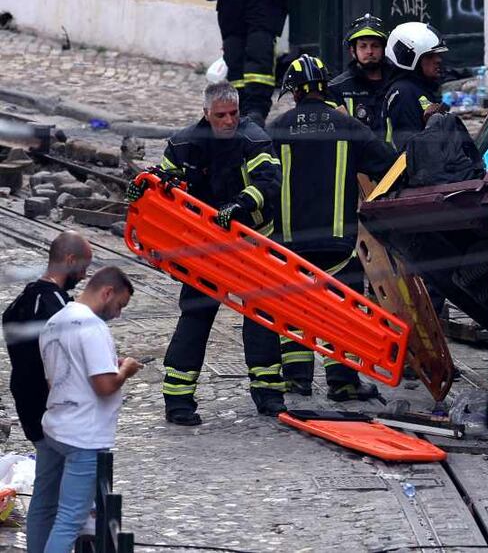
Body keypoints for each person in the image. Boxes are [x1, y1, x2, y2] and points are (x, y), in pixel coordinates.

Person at [138, 81, 286, 425]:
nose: (228, 121)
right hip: (204, 248)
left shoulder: (254, 138)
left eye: (233, 114)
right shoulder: (184, 142)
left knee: (262, 317)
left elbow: (269, 182)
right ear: (206, 114)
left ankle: (268, 395)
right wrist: (148, 185)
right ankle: (177, 401)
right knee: (195, 317)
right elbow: (164, 185)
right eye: (220, 115)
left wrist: (240, 204)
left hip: (252, 244)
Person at [268, 54, 398, 401]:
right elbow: (387, 163)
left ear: (293, 92)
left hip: (290, 244)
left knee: (292, 308)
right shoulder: (348, 126)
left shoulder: (277, 129)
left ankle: (297, 379)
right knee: (344, 310)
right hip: (339, 243)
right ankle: (342, 381)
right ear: (326, 87)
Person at [26, 267, 138, 553]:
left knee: (43, 506)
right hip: (84, 436)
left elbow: (55, 379)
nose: (118, 313)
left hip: (55, 426)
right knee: (69, 520)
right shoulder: (93, 327)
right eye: (120, 305)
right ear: (107, 292)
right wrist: (125, 369)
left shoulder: (55, 321)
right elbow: (104, 385)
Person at [2, 232, 93, 446]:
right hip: (50, 407)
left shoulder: (22, 299)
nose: (83, 276)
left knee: (47, 471)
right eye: (83, 268)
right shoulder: (56, 307)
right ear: (70, 261)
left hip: (26, 400)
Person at [381, 22, 449, 149]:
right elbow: (409, 150)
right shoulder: (403, 93)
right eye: (430, 56)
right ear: (409, 57)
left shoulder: (421, 88)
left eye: (438, 55)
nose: (438, 60)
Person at [328, 14, 394, 125]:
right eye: (363, 46)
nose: (369, 51)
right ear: (353, 51)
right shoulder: (336, 88)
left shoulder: (397, 83)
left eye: (375, 46)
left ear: (384, 49)